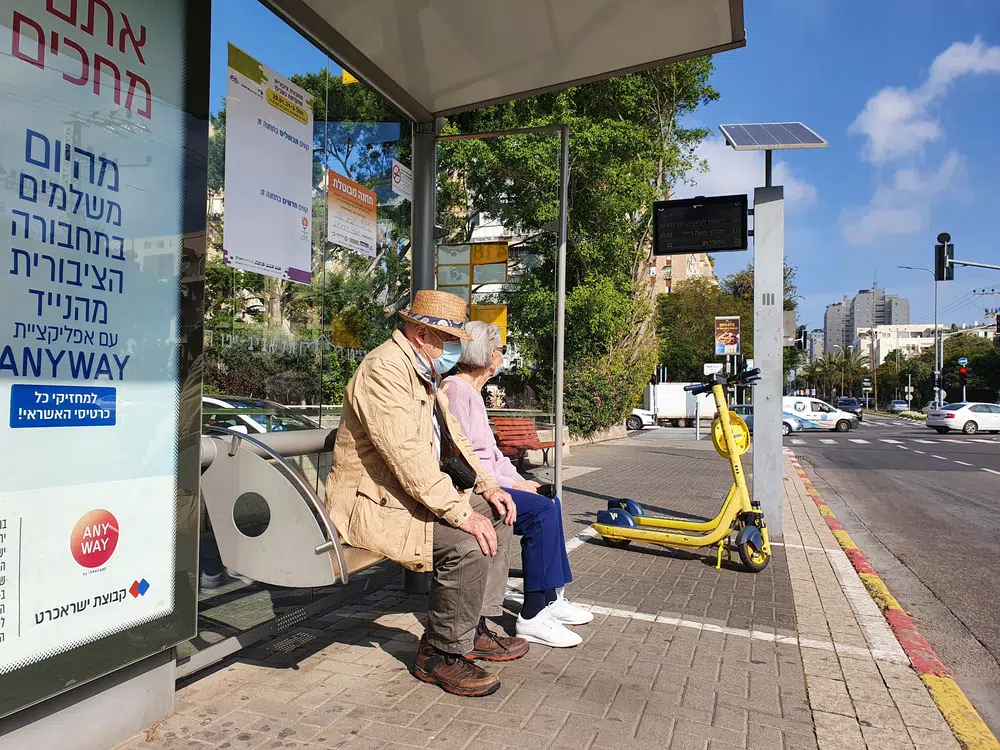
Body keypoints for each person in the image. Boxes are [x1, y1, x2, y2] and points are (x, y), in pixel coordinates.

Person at [325, 290, 528, 698]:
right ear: (421, 333)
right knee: (467, 542)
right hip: (374, 504)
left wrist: (487, 485)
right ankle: (438, 652)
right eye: (449, 339)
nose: (455, 348)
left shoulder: (424, 371)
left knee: (499, 516)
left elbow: (455, 439)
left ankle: (474, 628)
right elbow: (408, 456)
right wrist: (459, 512)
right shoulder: (384, 369)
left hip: (409, 497)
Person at [443, 322, 593, 648]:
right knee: (540, 513)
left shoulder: (474, 393)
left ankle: (551, 598)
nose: (502, 356)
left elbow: (493, 454)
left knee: (549, 502)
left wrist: (520, 481)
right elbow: (463, 457)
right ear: (485, 353)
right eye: (500, 349)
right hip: (472, 489)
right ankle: (533, 615)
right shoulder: (456, 390)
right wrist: (505, 484)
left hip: (492, 482)